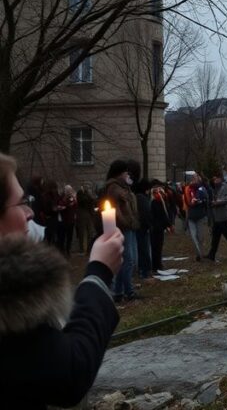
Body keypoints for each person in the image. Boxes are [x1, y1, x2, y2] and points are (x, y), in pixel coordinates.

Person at [0, 151, 126, 409]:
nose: (29, 213)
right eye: (20, 203)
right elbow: (69, 373)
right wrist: (98, 275)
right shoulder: (9, 296)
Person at [103, 160, 141, 301]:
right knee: (128, 260)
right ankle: (128, 291)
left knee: (126, 260)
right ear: (119, 173)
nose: (127, 174)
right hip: (123, 227)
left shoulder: (123, 186)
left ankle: (119, 292)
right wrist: (126, 222)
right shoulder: (113, 188)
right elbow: (115, 210)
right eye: (125, 171)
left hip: (129, 226)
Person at [184, 173, 208, 262]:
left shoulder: (202, 189)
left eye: (196, 178)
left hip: (200, 215)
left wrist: (200, 201)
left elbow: (206, 200)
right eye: (193, 178)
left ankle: (200, 252)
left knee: (200, 236)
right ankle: (199, 254)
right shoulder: (188, 189)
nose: (194, 180)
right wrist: (191, 202)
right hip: (191, 216)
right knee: (193, 236)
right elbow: (187, 202)